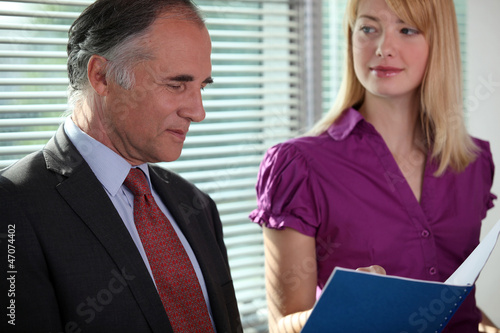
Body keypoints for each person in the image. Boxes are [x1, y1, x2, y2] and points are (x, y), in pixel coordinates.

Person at [249, 0, 498, 332]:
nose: (383, 48)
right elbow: (282, 326)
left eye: (407, 29)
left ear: (439, 42)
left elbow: (461, 306)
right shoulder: (298, 166)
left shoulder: (473, 161)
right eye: (368, 29)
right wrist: (345, 306)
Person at [0, 0, 242, 332]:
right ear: (102, 76)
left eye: (201, 87)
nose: (198, 112)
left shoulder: (197, 205)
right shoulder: (13, 205)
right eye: (176, 85)